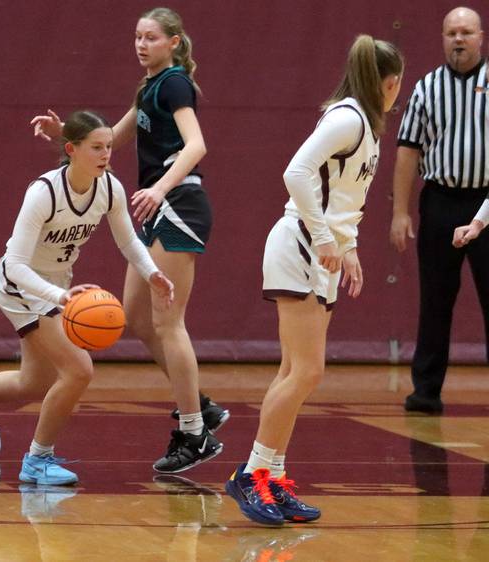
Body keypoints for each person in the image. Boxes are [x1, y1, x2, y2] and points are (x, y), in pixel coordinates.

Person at [0, 110, 175, 486]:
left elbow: (127, 240)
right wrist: (60, 296)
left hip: (57, 286)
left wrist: (151, 272)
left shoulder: (109, 188)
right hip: (19, 286)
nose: (106, 154)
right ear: (71, 149)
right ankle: (38, 459)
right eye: (96, 147)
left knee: (34, 383)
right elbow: (18, 265)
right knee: (78, 369)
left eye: (108, 147)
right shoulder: (44, 193)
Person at [31, 7, 228, 474]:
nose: (141, 44)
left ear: (174, 42)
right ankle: (198, 401)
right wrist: (68, 136)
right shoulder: (150, 86)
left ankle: (195, 430)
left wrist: (160, 187)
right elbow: (113, 139)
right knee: (136, 317)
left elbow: (196, 145)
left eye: (152, 37)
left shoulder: (176, 83)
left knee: (167, 321)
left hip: (178, 204)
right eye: (137, 37)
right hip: (155, 206)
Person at [225, 35, 404, 526]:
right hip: (300, 244)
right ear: (390, 83)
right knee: (307, 371)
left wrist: (348, 248)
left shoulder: (365, 126)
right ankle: (252, 474)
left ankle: (272, 477)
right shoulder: (347, 117)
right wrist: (326, 238)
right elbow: (297, 172)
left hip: (320, 250)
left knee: (294, 371)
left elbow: (339, 196)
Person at [392, 7, 488, 415]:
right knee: (435, 300)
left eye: (466, 32)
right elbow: (408, 151)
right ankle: (426, 391)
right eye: (451, 33)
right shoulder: (427, 87)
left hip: (487, 203)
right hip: (441, 201)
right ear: (442, 38)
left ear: (481, 37)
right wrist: (401, 211)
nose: (459, 39)